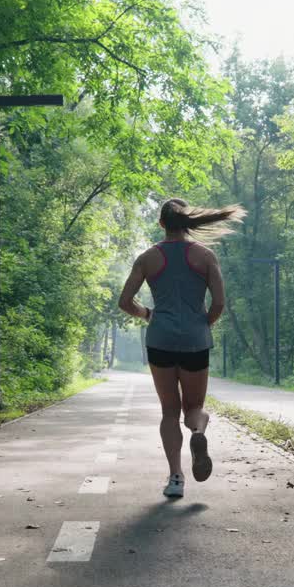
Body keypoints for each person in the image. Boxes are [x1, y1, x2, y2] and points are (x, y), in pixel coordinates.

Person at [118, 198, 245, 498]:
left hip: (160, 340)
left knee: (169, 412)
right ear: (187, 223)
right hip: (195, 341)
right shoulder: (204, 256)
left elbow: (125, 302)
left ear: (161, 224)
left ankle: (176, 478)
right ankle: (198, 433)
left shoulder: (148, 258)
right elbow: (219, 303)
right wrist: (204, 324)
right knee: (194, 409)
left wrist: (148, 314)